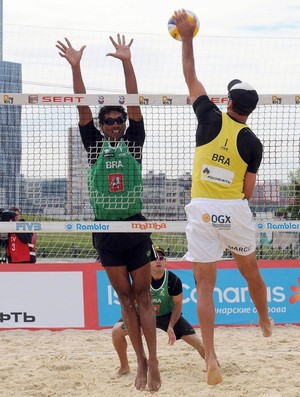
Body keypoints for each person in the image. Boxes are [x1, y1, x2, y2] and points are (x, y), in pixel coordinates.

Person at [172, 9, 273, 386]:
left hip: (201, 210)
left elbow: (190, 76)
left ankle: (211, 357)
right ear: (249, 109)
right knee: (251, 273)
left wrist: (187, 37)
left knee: (205, 287)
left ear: (228, 102)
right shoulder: (253, 143)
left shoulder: (209, 119)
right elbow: (248, 192)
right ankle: (263, 318)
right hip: (234, 209)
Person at [56, 35, 161, 392]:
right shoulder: (93, 144)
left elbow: (134, 104)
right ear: (102, 125)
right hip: (105, 230)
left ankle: (155, 362)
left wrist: (127, 62)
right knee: (126, 299)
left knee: (144, 297)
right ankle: (141, 362)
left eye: (119, 119)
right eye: (110, 120)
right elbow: (82, 106)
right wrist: (76, 66)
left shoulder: (134, 140)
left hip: (134, 225)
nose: (116, 123)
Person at [112, 246, 205, 376]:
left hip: (166, 315)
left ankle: (213, 363)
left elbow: (178, 305)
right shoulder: (140, 278)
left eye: (161, 258)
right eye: (154, 258)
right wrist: (138, 324)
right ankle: (124, 366)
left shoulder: (173, 280)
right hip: (142, 314)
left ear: (165, 261)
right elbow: (130, 304)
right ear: (148, 262)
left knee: (196, 341)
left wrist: (171, 326)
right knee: (116, 332)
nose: (158, 261)